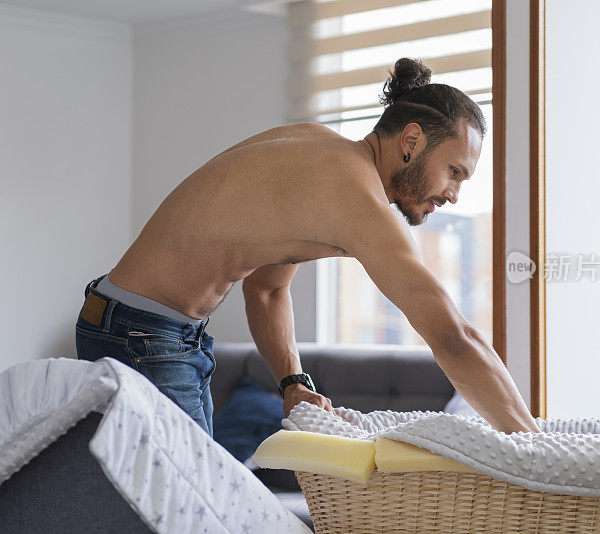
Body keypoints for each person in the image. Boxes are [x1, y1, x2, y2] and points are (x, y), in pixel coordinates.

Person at [75, 57, 541, 438]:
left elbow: (266, 289)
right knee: (185, 514)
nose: (455, 195)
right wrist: (533, 446)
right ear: (412, 140)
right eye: (454, 172)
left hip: (159, 329)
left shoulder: (324, 152)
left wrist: (293, 382)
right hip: (141, 332)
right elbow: (453, 337)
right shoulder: (356, 195)